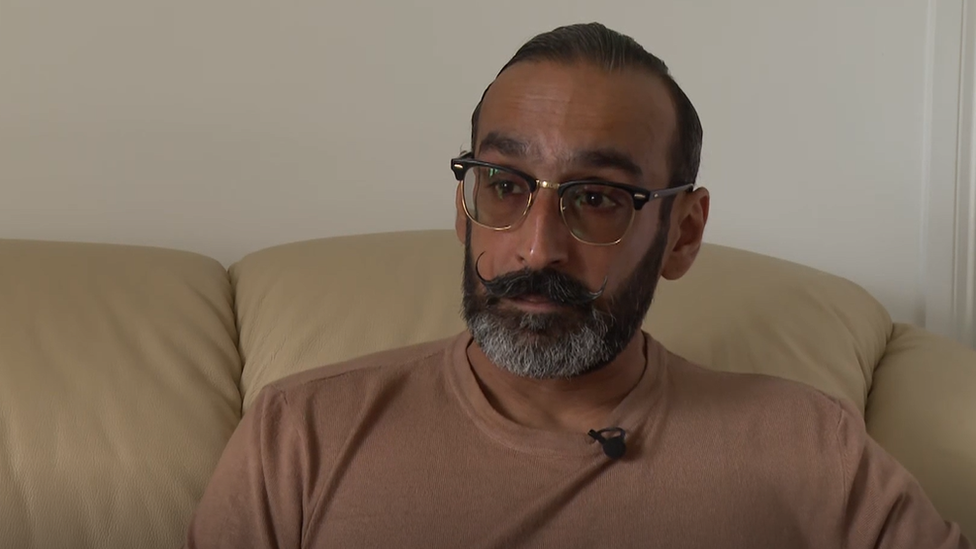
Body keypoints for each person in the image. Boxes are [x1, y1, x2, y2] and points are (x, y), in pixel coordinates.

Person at [183, 23, 972, 548]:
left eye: (596, 197)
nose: (538, 243)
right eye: (504, 183)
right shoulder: (299, 438)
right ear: (463, 206)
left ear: (683, 233)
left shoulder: (810, 448)